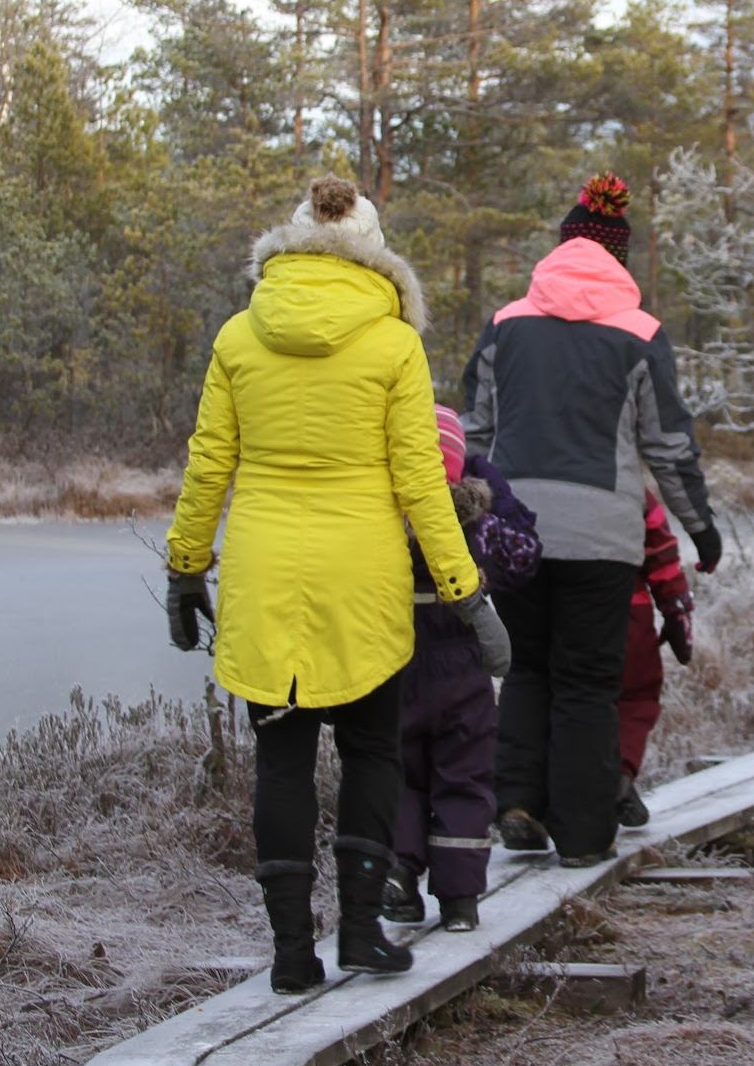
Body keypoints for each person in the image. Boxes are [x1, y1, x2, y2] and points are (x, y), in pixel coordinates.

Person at [163, 176, 509, 993]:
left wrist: (184, 571)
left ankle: (290, 954)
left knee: (281, 764)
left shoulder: (239, 339)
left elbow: (208, 464)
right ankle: (360, 934)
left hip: (265, 574)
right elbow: (423, 483)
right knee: (369, 753)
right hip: (363, 582)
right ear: (375, 254)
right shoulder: (393, 345)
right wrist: (468, 595)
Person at [461, 174, 720, 867]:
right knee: (586, 684)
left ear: (561, 249)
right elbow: (667, 446)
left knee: (525, 669)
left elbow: (473, 433)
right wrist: (701, 530)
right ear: (619, 259)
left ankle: (516, 801)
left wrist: (466, 521)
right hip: (603, 539)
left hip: (515, 530)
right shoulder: (640, 334)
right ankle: (582, 836)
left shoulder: (506, 325)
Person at [383, 407, 543, 933]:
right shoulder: (480, 523)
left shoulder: (379, 523)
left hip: (394, 668)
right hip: (464, 676)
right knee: (465, 780)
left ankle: (400, 877)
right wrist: (493, 487)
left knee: (399, 776)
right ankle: (460, 901)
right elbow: (526, 557)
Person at [613, 491, 694, 829]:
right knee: (635, 698)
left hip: (552, 612)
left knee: (556, 696)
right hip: (628, 612)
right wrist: (677, 610)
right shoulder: (629, 484)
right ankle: (618, 776)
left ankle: (529, 798)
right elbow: (661, 554)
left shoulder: (524, 471)